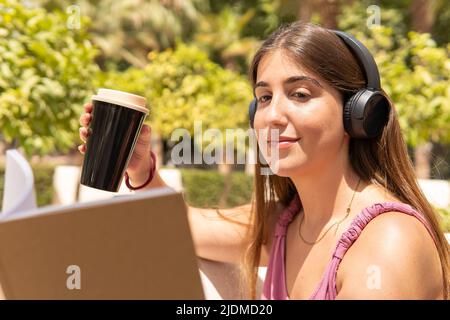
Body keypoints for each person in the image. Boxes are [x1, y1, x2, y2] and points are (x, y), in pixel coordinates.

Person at [79, 22, 449, 300]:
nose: (273, 115)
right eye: (265, 97)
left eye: (300, 94)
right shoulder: (286, 223)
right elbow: (179, 229)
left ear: (359, 115)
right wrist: (140, 168)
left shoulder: (387, 241)